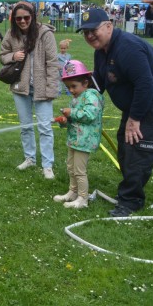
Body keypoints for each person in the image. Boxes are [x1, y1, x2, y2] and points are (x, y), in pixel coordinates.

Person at [79, 8, 153, 217]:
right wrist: (82, 102)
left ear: (109, 26)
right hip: (137, 105)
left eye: (93, 30)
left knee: (137, 150)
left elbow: (145, 85)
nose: (89, 36)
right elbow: (99, 82)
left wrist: (134, 119)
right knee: (125, 147)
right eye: (85, 32)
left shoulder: (128, 48)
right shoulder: (102, 51)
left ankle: (130, 201)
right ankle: (130, 192)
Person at [0, 1, 60, 179]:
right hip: (20, 87)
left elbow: (53, 63)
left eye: (26, 17)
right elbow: (2, 56)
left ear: (33, 17)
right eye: (19, 18)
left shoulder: (45, 34)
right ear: (14, 19)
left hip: (42, 88)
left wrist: (51, 89)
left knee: (45, 127)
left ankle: (47, 165)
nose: (23, 21)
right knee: (25, 126)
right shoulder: (11, 34)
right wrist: (13, 56)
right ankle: (30, 158)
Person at [53, 60, 104, 209]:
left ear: (85, 83)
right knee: (71, 167)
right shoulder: (76, 99)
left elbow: (90, 115)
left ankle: (83, 198)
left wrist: (72, 113)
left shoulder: (92, 96)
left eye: (74, 86)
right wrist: (64, 121)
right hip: (74, 139)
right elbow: (73, 119)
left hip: (85, 140)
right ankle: (72, 192)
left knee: (79, 171)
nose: (71, 90)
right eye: (68, 87)